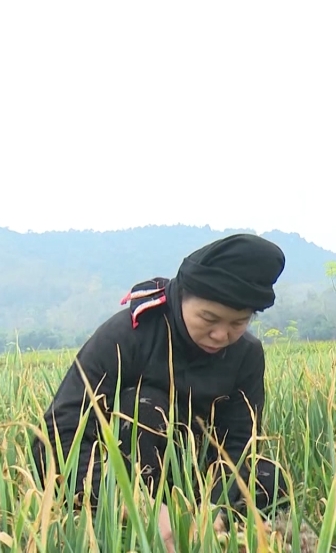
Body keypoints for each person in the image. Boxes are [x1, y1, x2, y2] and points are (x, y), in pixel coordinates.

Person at [31, 233, 290, 550]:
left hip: (197, 479)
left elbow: (240, 441)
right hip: (125, 478)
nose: (221, 334)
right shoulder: (127, 335)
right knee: (144, 407)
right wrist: (137, 504)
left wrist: (216, 510)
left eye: (238, 323)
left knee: (270, 476)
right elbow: (58, 433)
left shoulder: (247, 354)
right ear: (182, 296)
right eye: (209, 318)